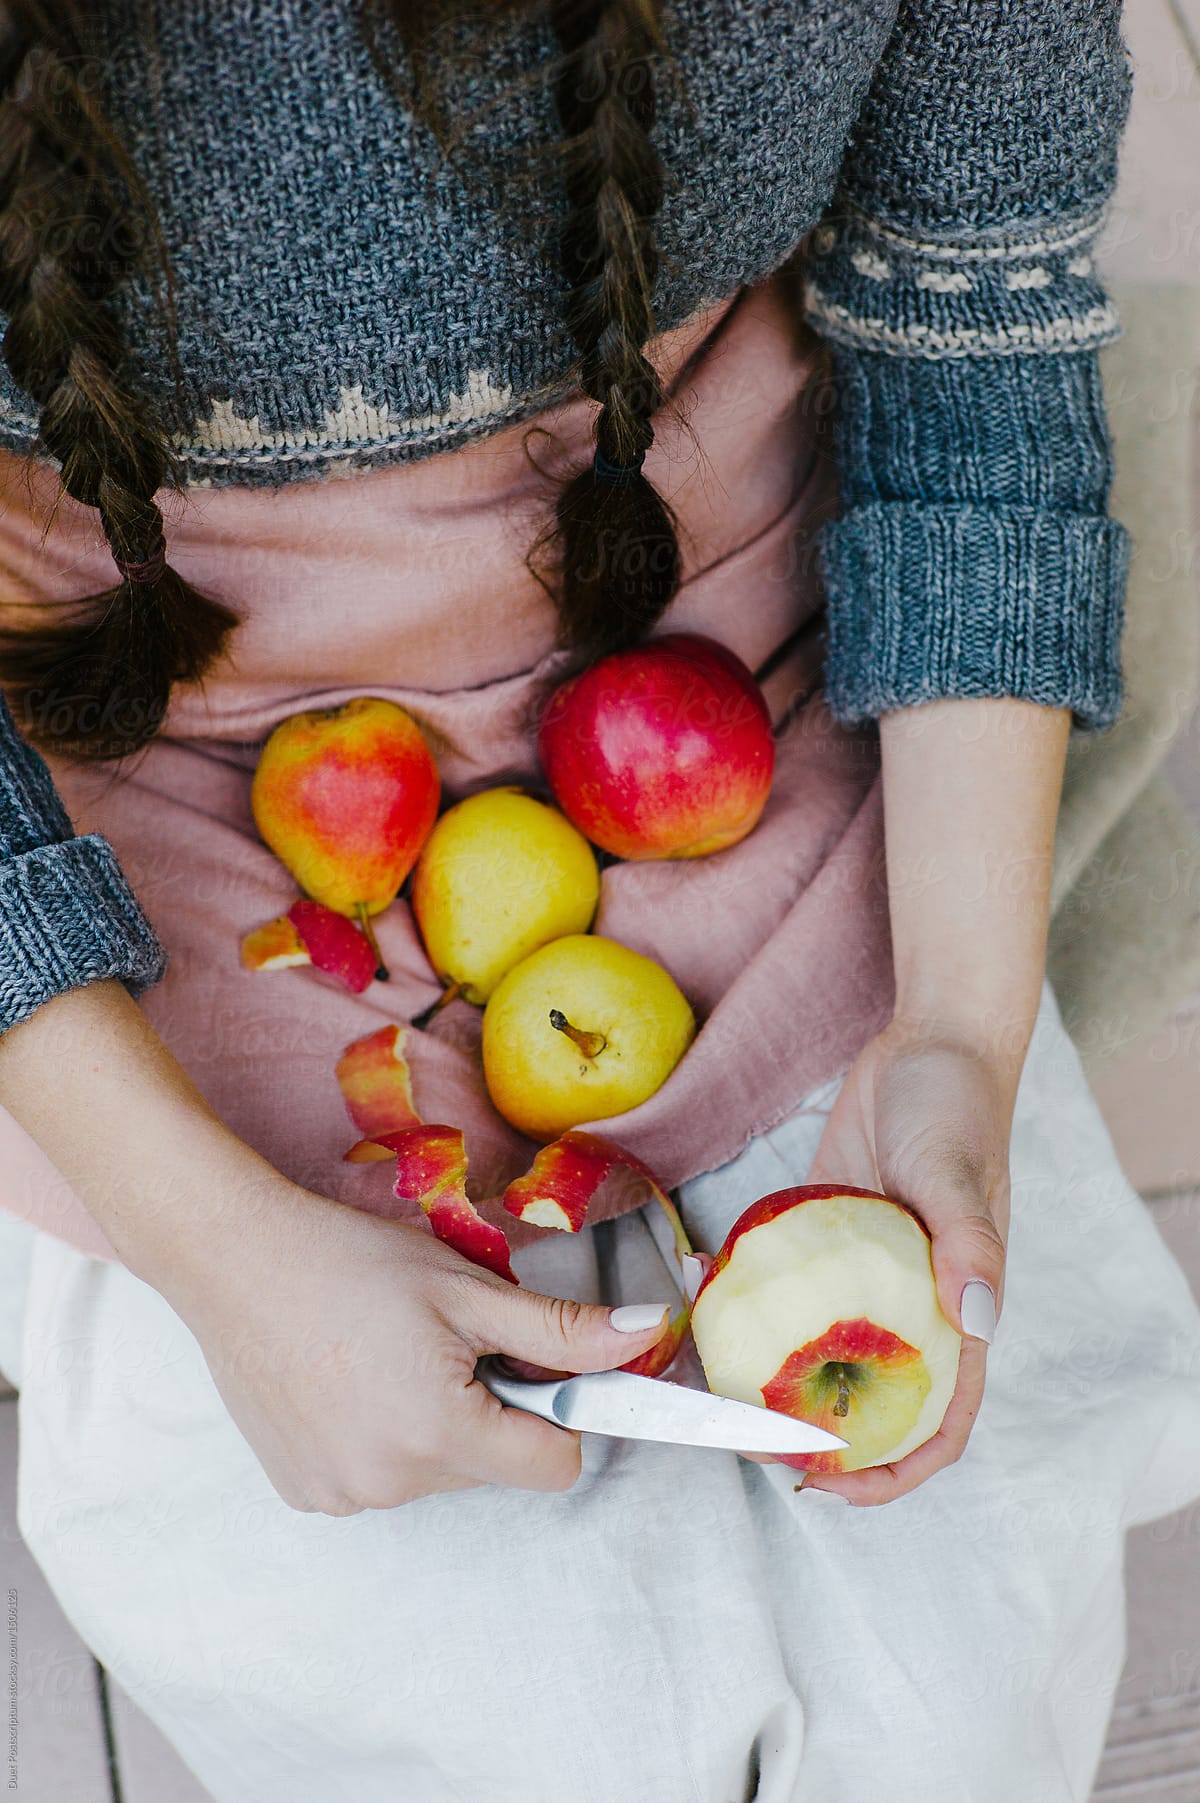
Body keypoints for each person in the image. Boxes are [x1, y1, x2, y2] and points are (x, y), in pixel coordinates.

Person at [0, 2, 1198, 1798]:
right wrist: (212, 1247)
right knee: (500, 1704)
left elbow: (973, 324)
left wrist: (960, 1017)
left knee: (963, 1682)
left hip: (715, 618)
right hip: (128, 737)